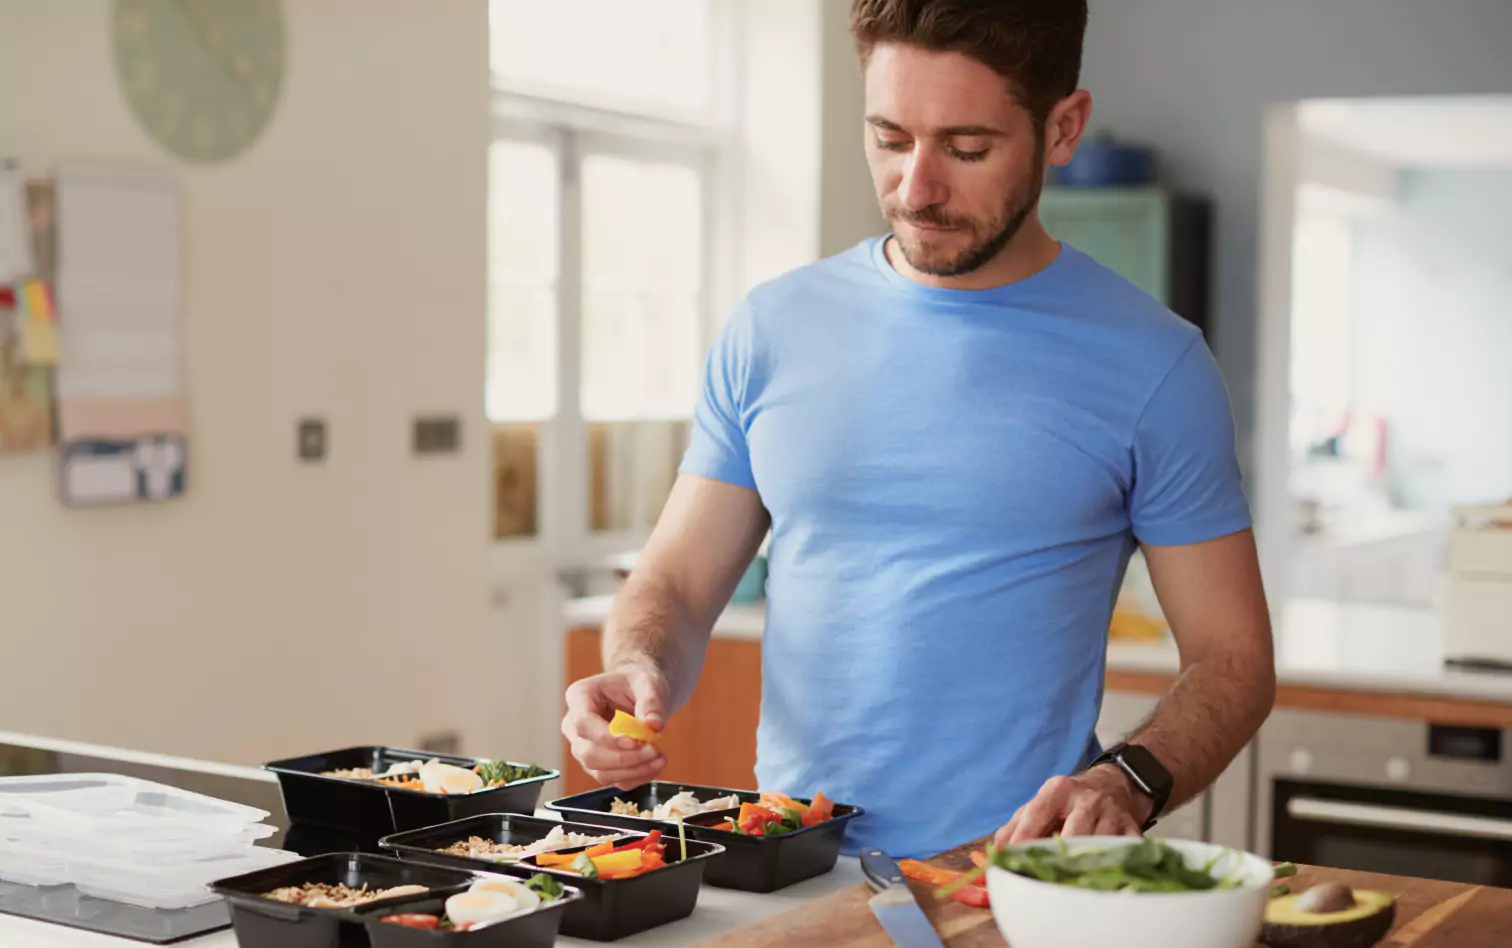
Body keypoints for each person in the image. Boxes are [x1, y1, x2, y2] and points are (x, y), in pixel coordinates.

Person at [561, 0, 1275, 858]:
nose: (916, 189)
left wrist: (1127, 780)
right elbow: (673, 585)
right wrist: (641, 664)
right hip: (790, 865)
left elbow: (1233, 660)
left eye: (967, 148)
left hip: (1009, 881)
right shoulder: (772, 328)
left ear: (1063, 127)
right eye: (890, 140)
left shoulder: (1156, 367)